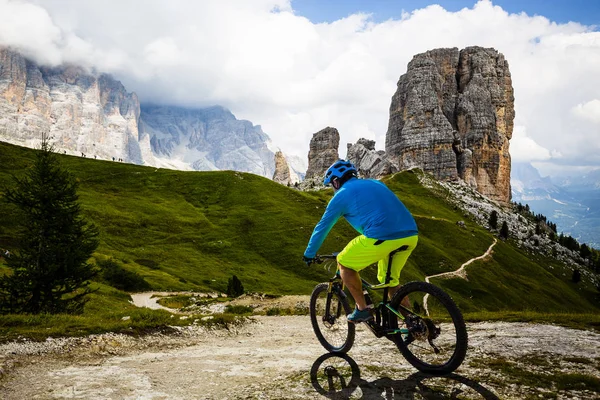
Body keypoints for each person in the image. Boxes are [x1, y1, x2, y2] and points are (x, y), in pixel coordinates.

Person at [303, 160, 418, 323]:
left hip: (381, 236)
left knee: (343, 261)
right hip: (411, 235)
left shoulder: (342, 194)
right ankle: (413, 323)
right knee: (388, 280)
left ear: (336, 181)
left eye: (331, 184)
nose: (332, 188)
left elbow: (322, 227)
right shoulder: (376, 183)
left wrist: (309, 253)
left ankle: (362, 309)